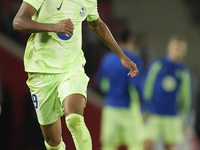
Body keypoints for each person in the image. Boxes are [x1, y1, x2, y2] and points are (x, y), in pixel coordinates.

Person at [12, 0, 139, 150]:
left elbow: (96, 24)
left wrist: (122, 56)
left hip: (71, 67)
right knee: (53, 141)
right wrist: (53, 27)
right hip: (41, 70)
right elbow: (18, 22)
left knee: (74, 120)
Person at [142, 35, 193, 150]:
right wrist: (145, 109)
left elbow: (187, 97)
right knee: (146, 145)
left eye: (181, 49)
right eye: (176, 48)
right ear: (169, 47)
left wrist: (186, 120)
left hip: (172, 116)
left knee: (170, 147)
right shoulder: (157, 65)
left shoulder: (184, 71)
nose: (178, 51)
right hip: (153, 114)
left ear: (184, 52)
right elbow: (147, 87)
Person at [97, 29, 144, 150]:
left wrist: (112, 93)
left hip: (111, 108)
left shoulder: (106, 60)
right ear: (131, 41)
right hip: (129, 109)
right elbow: (136, 85)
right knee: (135, 145)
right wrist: (143, 104)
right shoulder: (134, 60)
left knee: (109, 146)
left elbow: (101, 84)